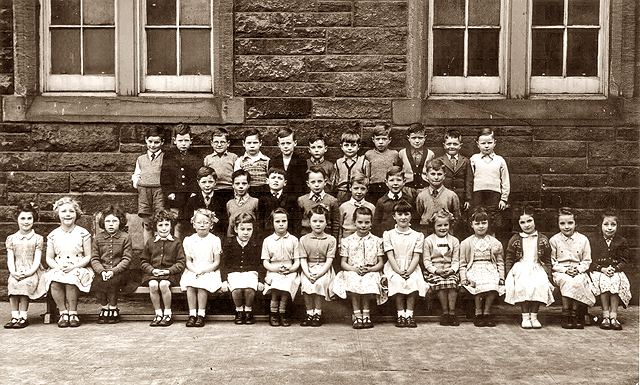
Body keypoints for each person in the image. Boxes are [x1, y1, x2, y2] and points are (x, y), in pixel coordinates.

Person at [331, 207, 386, 329]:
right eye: (360, 222)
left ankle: (366, 314)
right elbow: (343, 263)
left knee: (368, 279)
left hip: (371, 270)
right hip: (353, 270)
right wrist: (355, 269)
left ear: (371, 223)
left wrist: (369, 269)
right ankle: (357, 314)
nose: (363, 225)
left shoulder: (377, 241)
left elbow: (380, 263)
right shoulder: (347, 241)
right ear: (354, 222)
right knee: (354, 279)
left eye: (367, 222)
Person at [45, 197, 94, 328]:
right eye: (64, 211)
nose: (68, 214)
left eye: (71, 211)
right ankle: (63, 312)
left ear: (76, 214)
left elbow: (88, 256)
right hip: (59, 266)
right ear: (57, 214)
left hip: (78, 265)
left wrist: (74, 266)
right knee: (55, 281)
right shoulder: (53, 235)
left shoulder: (83, 233)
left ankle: (73, 312)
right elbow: (49, 258)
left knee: (71, 281)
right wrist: (58, 267)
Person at [504, 207, 554, 329]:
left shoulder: (542, 239)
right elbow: (509, 257)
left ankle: (535, 316)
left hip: (537, 266)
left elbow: (547, 258)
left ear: (535, 221)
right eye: (522, 222)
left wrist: (549, 273)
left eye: (529, 221)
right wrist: (508, 273)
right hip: (521, 267)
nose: (526, 225)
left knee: (539, 285)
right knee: (523, 285)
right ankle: (525, 317)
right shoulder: (515, 239)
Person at [382, 200, 426, 328]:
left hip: (412, 266)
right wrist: (399, 271)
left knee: (412, 281)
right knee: (398, 281)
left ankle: (409, 315)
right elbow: (390, 255)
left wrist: (409, 271)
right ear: (394, 216)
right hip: (394, 266)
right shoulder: (389, 234)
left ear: (411, 216)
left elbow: (416, 256)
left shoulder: (417, 236)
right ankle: (400, 314)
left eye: (406, 214)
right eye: (399, 214)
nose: (403, 217)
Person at [550, 207, 595, 329]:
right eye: (562, 223)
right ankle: (566, 314)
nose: (566, 226)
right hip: (561, 272)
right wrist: (564, 270)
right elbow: (553, 261)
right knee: (566, 280)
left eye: (570, 223)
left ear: (576, 224)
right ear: (558, 224)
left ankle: (575, 314)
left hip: (578, 270)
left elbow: (587, 260)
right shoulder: (554, 240)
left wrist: (578, 269)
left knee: (578, 280)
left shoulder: (583, 240)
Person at [459, 207, 505, 327]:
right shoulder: (466, 243)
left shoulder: (495, 242)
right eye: (477, 223)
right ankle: (478, 312)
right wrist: (463, 277)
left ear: (488, 224)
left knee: (492, 283)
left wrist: (501, 277)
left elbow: (500, 262)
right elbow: (463, 263)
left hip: (490, 268)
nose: (481, 226)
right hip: (473, 268)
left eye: (484, 223)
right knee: (479, 283)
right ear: (471, 225)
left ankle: (487, 312)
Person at [140, 210, 186, 327]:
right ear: (155, 227)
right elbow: (143, 261)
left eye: (167, 225)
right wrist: (152, 270)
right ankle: (158, 313)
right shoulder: (150, 242)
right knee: (153, 285)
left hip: (170, 274)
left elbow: (181, 262)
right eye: (160, 225)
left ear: (171, 226)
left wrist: (168, 270)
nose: (164, 228)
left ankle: (167, 313)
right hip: (153, 273)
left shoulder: (176, 242)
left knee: (164, 284)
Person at [4, 201, 46, 329]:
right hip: (16, 270)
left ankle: (23, 316)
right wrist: (13, 272)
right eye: (22, 218)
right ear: (16, 219)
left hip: (32, 271)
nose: (26, 221)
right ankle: (14, 316)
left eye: (29, 218)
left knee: (24, 285)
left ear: (33, 219)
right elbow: (10, 258)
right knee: (12, 283)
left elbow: (37, 260)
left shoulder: (37, 238)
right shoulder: (11, 239)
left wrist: (28, 273)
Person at [589, 209, 632, 330]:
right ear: (600, 225)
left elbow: (625, 261)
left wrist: (615, 268)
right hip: (599, 271)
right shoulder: (594, 240)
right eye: (606, 224)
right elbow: (589, 260)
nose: (609, 228)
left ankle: (614, 316)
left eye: (613, 225)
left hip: (615, 271)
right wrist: (601, 269)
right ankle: (605, 316)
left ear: (618, 226)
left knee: (615, 282)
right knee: (604, 282)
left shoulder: (621, 241)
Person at [180, 209, 222, 328]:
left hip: (209, 269)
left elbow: (216, 262)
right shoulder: (189, 240)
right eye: (199, 222)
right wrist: (195, 270)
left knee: (202, 284)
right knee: (191, 284)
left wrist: (204, 271)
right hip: (194, 268)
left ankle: (201, 314)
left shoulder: (215, 240)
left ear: (211, 224)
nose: (202, 225)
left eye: (206, 222)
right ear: (194, 224)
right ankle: (192, 314)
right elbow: (188, 261)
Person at [90, 205, 132, 324]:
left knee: (112, 282)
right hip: (102, 271)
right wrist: (102, 271)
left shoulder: (125, 237)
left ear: (120, 222)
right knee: (97, 283)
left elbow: (126, 259)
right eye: (108, 221)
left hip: (120, 272)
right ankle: (104, 307)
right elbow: (95, 258)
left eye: (114, 221)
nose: (111, 224)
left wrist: (113, 271)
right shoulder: (98, 238)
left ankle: (113, 308)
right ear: (103, 223)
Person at [221, 213, 264, 325]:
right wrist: (224, 280)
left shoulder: (256, 243)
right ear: (236, 229)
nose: (246, 232)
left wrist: (261, 280)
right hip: (234, 273)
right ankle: (239, 310)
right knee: (237, 290)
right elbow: (224, 264)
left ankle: (248, 310)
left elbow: (260, 264)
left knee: (250, 289)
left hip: (251, 272)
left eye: (249, 229)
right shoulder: (229, 243)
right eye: (242, 229)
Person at [161, 123, 200, 240]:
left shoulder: (195, 156)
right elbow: (165, 176)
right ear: (174, 140)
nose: (183, 143)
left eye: (186, 140)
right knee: (176, 222)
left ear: (191, 141)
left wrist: (195, 191)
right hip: (175, 196)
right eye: (180, 140)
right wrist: (169, 192)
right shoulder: (169, 156)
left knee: (188, 222)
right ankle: (175, 247)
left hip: (190, 195)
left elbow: (197, 176)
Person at [262, 208, 301, 327]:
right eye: (277, 221)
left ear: (288, 222)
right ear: (272, 223)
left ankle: (282, 312)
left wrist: (291, 269)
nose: (281, 224)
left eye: (284, 221)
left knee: (288, 281)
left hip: (289, 270)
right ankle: (273, 312)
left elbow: (297, 261)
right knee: (276, 280)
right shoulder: (268, 241)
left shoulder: (294, 240)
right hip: (273, 270)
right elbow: (266, 262)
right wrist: (276, 270)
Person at [298, 205, 336, 327]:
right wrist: (308, 274)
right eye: (314, 221)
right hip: (308, 268)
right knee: (306, 284)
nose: (318, 224)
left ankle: (318, 313)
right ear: (309, 222)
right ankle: (309, 313)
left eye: (321, 221)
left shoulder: (331, 240)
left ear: (326, 222)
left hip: (324, 269)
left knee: (320, 283)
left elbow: (329, 260)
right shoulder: (303, 239)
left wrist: (319, 273)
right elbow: (303, 260)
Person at [423, 209, 461, 326]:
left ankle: (452, 313)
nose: (443, 228)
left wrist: (452, 270)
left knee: (452, 283)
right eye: (439, 225)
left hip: (450, 271)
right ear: (433, 226)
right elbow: (427, 261)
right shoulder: (428, 241)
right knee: (441, 284)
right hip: (434, 272)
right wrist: (436, 270)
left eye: (446, 225)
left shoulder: (454, 241)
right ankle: (445, 313)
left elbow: (456, 260)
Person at [469, 128, 510, 236]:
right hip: (478, 194)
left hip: (494, 195)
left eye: (489, 143)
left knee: (493, 220)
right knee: (479, 217)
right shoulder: (474, 159)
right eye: (483, 143)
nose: (486, 146)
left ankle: (493, 241)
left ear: (494, 143)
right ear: (477, 144)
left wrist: (504, 198)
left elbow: (505, 180)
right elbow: (470, 178)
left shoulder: (500, 160)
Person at [435, 129, 473, 237]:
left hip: (460, 198)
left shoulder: (465, 161)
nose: (452, 146)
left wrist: (468, 199)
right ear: (444, 145)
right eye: (449, 144)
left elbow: (468, 181)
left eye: (455, 144)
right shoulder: (439, 160)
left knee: (459, 221)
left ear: (460, 146)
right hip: (444, 197)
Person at [132, 125, 166, 244]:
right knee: (147, 223)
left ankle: (159, 251)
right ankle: (148, 251)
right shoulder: (141, 159)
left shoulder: (165, 157)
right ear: (146, 139)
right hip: (144, 192)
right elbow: (137, 174)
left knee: (160, 221)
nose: (152, 145)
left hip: (158, 191)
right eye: (150, 141)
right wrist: (138, 183)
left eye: (156, 142)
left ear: (162, 142)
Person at [415, 158, 461, 235]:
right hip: (426, 232)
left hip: (445, 232)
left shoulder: (451, 195)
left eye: (439, 174)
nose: (436, 177)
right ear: (426, 175)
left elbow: (457, 218)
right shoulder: (421, 196)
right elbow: (419, 213)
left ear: (444, 176)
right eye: (433, 174)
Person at [372, 166, 417, 237]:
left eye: (399, 180)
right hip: (387, 238)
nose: (395, 183)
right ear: (386, 182)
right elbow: (376, 224)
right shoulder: (381, 201)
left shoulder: (409, 200)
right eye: (392, 180)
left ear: (404, 182)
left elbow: (414, 221)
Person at [297, 166, 340, 239]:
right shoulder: (301, 200)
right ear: (308, 184)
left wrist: (334, 240)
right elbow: (297, 223)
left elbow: (335, 224)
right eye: (313, 182)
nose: (316, 185)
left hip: (326, 238)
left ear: (325, 182)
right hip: (306, 238)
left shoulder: (332, 201)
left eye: (319, 181)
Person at [184, 166, 227, 237]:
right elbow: (186, 221)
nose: (207, 185)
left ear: (215, 182)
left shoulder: (221, 200)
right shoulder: (193, 200)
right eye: (203, 182)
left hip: (215, 236)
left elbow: (223, 222)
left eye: (210, 182)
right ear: (198, 183)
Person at [332, 129, 371, 205]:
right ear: (341, 147)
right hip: (342, 193)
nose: (349, 148)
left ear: (358, 147)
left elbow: (367, 180)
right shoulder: (338, 162)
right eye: (346, 145)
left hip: (358, 193)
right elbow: (336, 181)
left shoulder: (363, 162)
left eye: (353, 145)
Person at [258, 167, 299, 237]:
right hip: (268, 236)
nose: (276, 181)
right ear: (267, 181)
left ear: (285, 182)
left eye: (279, 178)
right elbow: (261, 222)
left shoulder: (291, 199)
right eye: (273, 178)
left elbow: (294, 222)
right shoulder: (263, 199)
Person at [364, 123, 400, 204]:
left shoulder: (394, 154)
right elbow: (367, 174)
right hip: (373, 188)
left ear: (389, 140)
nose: (381, 142)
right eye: (378, 139)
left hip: (389, 186)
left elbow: (397, 171)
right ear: (373, 139)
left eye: (384, 139)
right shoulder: (369, 154)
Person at [204, 127, 238, 207]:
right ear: (211, 143)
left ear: (228, 143)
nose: (219, 145)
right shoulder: (208, 159)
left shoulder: (233, 157)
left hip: (229, 190)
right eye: (216, 142)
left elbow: (237, 175)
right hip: (214, 190)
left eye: (222, 142)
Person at [338, 172, 375, 242]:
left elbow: (373, 227)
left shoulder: (371, 207)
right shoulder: (343, 207)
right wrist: (339, 243)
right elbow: (339, 228)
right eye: (356, 188)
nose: (359, 192)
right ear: (350, 188)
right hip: (347, 242)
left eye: (363, 189)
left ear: (367, 189)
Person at [270, 127, 307, 197]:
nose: (285, 146)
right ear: (278, 145)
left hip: (295, 196)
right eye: (283, 143)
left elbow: (302, 184)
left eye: (288, 143)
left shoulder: (301, 161)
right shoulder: (274, 161)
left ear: (295, 143)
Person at [234, 128, 270, 197]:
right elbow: (237, 180)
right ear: (243, 143)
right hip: (247, 193)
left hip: (263, 192)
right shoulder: (240, 161)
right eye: (249, 143)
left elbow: (269, 179)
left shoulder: (266, 160)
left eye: (255, 142)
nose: (252, 146)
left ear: (260, 143)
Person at [398, 122, 434, 190]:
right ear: (409, 138)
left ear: (425, 138)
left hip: (425, 188)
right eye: (414, 138)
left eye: (420, 138)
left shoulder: (430, 154)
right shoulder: (402, 153)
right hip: (407, 188)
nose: (417, 141)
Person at [226, 169, 259, 238]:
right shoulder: (229, 203)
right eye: (237, 184)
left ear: (249, 185)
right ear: (233, 185)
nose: (240, 186)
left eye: (244, 183)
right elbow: (230, 225)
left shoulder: (255, 202)